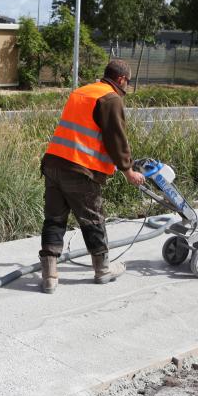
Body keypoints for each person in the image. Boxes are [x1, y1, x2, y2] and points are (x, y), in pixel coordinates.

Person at [39, 59, 145, 293]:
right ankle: (103, 270)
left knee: (54, 219)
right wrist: (128, 171)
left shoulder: (81, 92)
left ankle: (49, 277)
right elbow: (116, 138)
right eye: (127, 82)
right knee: (92, 219)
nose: (126, 87)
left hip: (54, 163)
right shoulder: (110, 98)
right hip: (80, 170)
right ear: (121, 79)